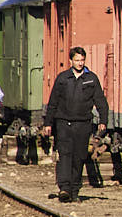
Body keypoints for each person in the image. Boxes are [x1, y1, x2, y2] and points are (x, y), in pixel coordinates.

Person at [43, 46, 110, 202]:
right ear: (70, 61)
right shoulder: (63, 78)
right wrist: (48, 123)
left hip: (83, 124)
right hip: (63, 123)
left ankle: (74, 190)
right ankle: (64, 188)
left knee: (79, 157)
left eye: (82, 60)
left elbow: (101, 101)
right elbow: (53, 102)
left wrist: (103, 121)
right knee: (65, 155)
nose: (80, 63)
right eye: (77, 60)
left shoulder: (91, 79)